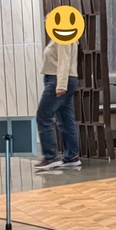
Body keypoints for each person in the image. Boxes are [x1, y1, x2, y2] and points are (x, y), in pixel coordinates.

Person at [34, 35, 81, 171]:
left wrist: (61, 85)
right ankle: (72, 156)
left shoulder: (63, 36)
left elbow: (64, 61)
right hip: (62, 79)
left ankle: (50, 157)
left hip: (58, 80)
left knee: (43, 116)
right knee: (65, 118)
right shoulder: (63, 36)